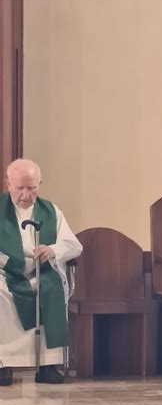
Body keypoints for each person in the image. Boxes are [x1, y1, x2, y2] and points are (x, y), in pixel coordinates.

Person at [0, 159, 83, 385]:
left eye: (32, 188)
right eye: (20, 188)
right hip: (6, 274)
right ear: (8, 184)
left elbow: (74, 245)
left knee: (51, 289)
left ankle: (48, 364)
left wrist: (52, 249)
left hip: (41, 271)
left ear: (40, 184)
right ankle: (3, 363)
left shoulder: (51, 211)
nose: (26, 195)